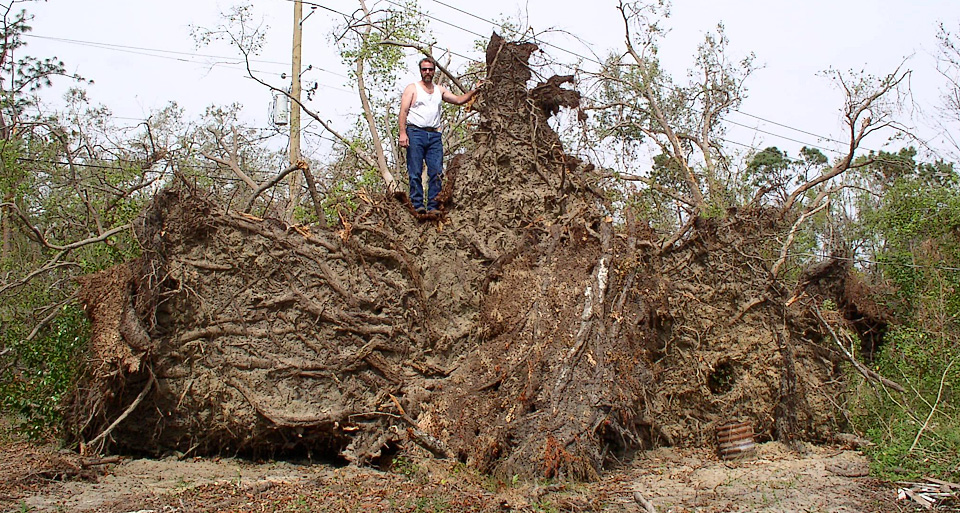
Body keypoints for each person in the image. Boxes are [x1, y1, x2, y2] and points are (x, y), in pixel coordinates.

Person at [398, 58, 480, 215]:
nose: (427, 72)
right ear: (420, 71)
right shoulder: (412, 88)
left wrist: (475, 90)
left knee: (436, 171)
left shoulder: (439, 90)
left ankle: (433, 206)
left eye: (430, 69)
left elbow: (458, 100)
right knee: (415, 171)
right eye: (424, 69)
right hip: (415, 132)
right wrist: (403, 133)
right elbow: (403, 112)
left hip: (434, 135)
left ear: (434, 71)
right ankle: (417, 205)